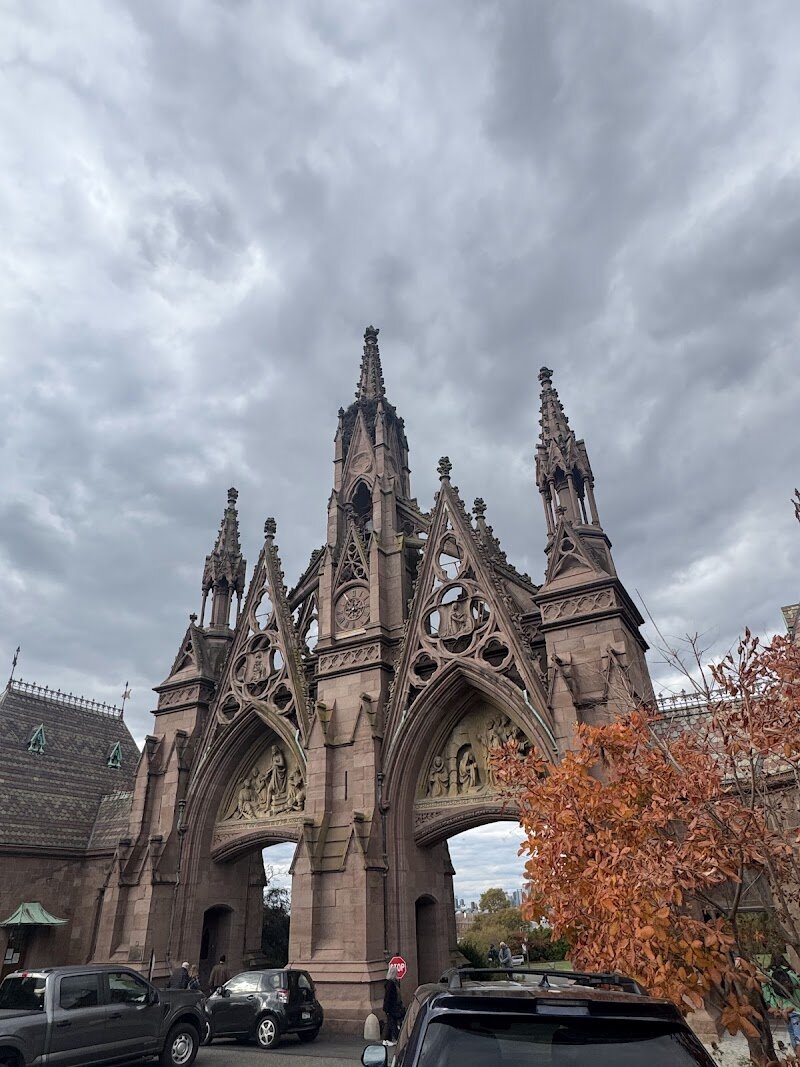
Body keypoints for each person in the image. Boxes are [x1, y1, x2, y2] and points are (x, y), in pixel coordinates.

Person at [763, 954, 800, 1051]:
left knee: (792, 1034)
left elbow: (767, 996)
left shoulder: (768, 977)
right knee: (798, 1037)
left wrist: (775, 1007)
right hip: (796, 1010)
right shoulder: (791, 974)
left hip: (783, 1010)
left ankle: (797, 1055)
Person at [383, 964, 405, 1043]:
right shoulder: (390, 984)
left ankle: (388, 1039)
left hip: (394, 1006)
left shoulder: (394, 983)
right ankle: (389, 1039)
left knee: (392, 1023)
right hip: (391, 1007)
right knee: (392, 1023)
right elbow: (388, 997)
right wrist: (387, 1008)